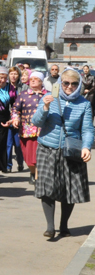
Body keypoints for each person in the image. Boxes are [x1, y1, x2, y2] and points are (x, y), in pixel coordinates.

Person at [32, 67, 93, 238]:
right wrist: (45, 107)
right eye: (66, 83)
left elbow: (88, 129)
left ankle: (64, 225)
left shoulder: (84, 104)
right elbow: (36, 122)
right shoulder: (48, 98)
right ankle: (50, 227)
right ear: (60, 83)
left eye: (74, 84)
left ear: (79, 85)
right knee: (47, 188)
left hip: (71, 150)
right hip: (47, 149)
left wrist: (86, 147)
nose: (69, 87)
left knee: (69, 189)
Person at [12, 71, 46, 185]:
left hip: (43, 131)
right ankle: (32, 172)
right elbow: (15, 109)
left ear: (41, 81)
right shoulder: (23, 94)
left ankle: (38, 177)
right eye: (31, 79)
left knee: (39, 155)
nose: (33, 81)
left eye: (36, 79)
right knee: (28, 155)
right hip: (26, 130)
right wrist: (15, 118)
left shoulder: (48, 94)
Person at [6, 67, 25, 172]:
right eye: (11, 74)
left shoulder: (24, 87)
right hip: (8, 118)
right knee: (8, 144)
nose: (13, 76)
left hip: (20, 118)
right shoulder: (5, 86)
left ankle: (20, 162)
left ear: (19, 75)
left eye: (15, 74)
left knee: (18, 144)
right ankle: (8, 165)